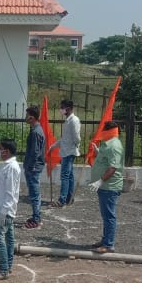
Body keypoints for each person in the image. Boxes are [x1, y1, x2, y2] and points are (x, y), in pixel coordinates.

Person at [89, 120, 125, 254]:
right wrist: (97, 151)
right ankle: (105, 240)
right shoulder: (108, 144)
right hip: (105, 187)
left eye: (104, 129)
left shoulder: (114, 146)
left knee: (109, 216)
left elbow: (112, 168)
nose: (102, 131)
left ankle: (109, 245)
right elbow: (105, 159)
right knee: (105, 215)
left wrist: (100, 181)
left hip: (109, 187)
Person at [0, 138, 21, 281]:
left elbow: (10, 192)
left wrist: (3, 211)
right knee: (8, 238)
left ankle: (4, 269)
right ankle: (7, 265)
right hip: (4, 208)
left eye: (1, 149)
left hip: (5, 210)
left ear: (7, 151)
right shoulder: (9, 166)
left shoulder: (12, 168)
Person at [48, 100, 81, 207]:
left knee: (65, 176)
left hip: (69, 152)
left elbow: (77, 137)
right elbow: (64, 138)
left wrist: (75, 145)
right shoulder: (67, 120)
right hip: (66, 151)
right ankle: (69, 198)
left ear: (68, 108)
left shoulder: (74, 120)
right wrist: (53, 146)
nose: (61, 109)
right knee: (69, 176)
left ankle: (62, 200)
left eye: (62, 107)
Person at [23, 106, 46, 229]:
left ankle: (36, 219)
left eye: (27, 115)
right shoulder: (35, 130)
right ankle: (36, 216)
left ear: (32, 117)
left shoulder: (36, 131)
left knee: (34, 194)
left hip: (34, 168)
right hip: (33, 167)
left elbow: (35, 152)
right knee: (34, 193)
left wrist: (29, 167)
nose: (26, 117)